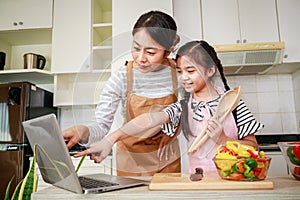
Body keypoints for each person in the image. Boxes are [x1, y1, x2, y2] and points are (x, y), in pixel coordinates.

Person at [74, 40, 264, 173]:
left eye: (191, 71)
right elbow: (148, 119)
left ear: (210, 70)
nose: (184, 77)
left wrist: (223, 139)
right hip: (197, 181)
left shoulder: (234, 104)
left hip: (235, 179)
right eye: (180, 71)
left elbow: (254, 148)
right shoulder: (183, 106)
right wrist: (110, 139)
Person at [63, 10, 182, 176]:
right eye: (136, 48)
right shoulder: (122, 77)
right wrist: (83, 131)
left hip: (167, 158)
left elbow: (190, 112)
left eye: (150, 52)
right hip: (131, 159)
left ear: (167, 52)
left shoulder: (179, 73)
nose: (141, 58)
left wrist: (172, 133)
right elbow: (102, 125)